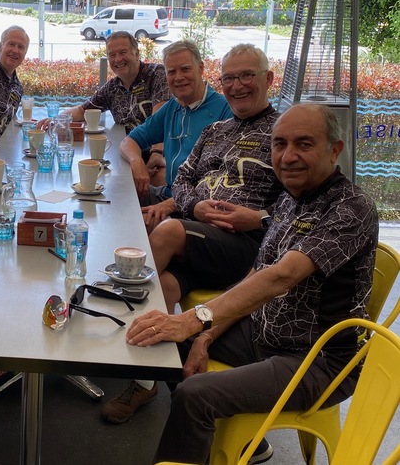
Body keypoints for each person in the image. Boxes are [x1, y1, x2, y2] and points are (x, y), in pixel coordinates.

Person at [126, 104, 377, 464]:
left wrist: (193, 319)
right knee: (164, 350)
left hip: (316, 360)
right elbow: (259, 271)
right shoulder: (290, 199)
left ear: (334, 150)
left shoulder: (351, 208)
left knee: (196, 395)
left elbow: (282, 276)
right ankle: (234, 435)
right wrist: (205, 335)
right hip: (261, 334)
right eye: (279, 144)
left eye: (304, 144)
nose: (288, 156)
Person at [101, 43, 284, 426]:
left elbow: (302, 206)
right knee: (164, 287)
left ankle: (105, 319)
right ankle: (146, 380)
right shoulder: (216, 131)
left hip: (244, 246)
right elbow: (181, 182)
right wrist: (195, 206)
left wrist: (260, 218)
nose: (237, 85)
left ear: (268, 79)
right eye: (230, 78)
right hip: (199, 237)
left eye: (247, 76)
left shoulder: (283, 135)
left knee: (166, 231)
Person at [119, 40, 232, 232]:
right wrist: (137, 162)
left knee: (131, 226)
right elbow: (128, 141)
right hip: (167, 193)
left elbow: (217, 181)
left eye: (185, 69)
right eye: (171, 72)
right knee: (114, 194)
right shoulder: (173, 106)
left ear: (201, 68)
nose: (178, 77)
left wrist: (168, 205)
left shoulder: (224, 110)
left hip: (196, 206)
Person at [39, 31, 169, 133]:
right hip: (127, 148)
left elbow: (161, 121)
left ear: (136, 54)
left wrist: (155, 153)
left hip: (156, 151)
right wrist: (57, 120)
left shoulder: (156, 74)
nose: (118, 59)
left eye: (123, 52)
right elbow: (82, 110)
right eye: (112, 55)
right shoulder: (112, 88)